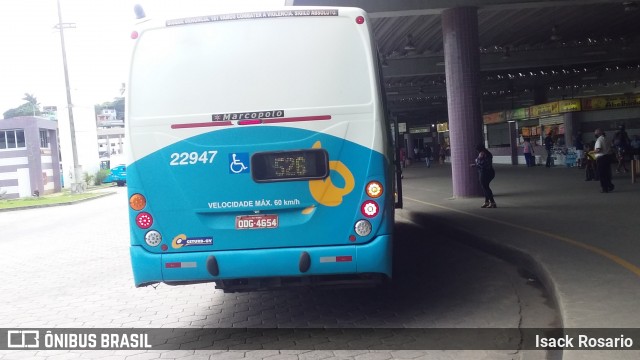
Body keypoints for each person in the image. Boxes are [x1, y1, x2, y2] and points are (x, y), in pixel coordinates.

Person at [471, 144, 496, 208]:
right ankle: (486, 202)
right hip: (490, 172)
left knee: (485, 188)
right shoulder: (488, 153)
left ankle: (492, 202)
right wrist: (475, 164)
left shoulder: (482, 154)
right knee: (485, 187)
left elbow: (482, 164)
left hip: (484, 173)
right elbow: (484, 163)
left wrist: (477, 160)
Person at [594, 129, 614, 193]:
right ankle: (610, 185)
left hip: (601, 158)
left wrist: (591, 152)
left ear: (598, 134)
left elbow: (598, 149)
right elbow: (611, 147)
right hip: (608, 157)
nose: (595, 135)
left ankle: (604, 188)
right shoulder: (607, 138)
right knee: (607, 173)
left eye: (595, 134)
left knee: (602, 174)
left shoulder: (599, 140)